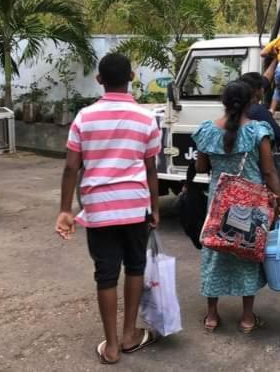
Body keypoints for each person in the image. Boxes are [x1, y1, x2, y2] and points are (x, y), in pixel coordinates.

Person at [55, 53, 161, 365]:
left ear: (99, 80)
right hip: (134, 207)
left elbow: (71, 168)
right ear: (132, 76)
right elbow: (151, 169)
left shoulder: (84, 117)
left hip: (99, 210)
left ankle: (112, 347)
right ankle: (130, 334)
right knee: (136, 268)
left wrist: (65, 210)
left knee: (105, 275)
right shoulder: (145, 118)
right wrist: (155, 207)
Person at [191, 81, 280, 334]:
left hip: (218, 204)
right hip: (250, 206)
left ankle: (211, 316)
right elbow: (268, 171)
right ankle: (246, 318)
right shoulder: (258, 132)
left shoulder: (207, 131)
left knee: (215, 252)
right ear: (251, 103)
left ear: (223, 102)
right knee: (247, 253)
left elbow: (200, 168)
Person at [240, 72, 280, 147]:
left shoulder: (238, 107)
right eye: (262, 87)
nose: (263, 90)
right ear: (257, 91)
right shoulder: (258, 111)